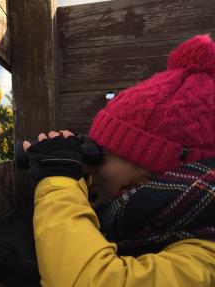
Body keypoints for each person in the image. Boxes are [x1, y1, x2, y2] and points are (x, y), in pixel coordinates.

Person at [23, 34, 215, 286]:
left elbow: (95, 281)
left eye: (101, 152)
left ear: (156, 164)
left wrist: (58, 180)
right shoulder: (155, 219)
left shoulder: (207, 254)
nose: (90, 165)